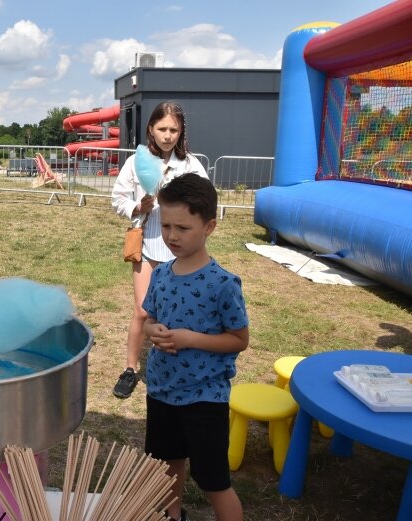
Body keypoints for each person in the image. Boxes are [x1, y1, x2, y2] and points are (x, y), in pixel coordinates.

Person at [142, 173, 249, 521]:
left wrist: (190, 338)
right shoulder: (160, 274)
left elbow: (239, 339)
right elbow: (147, 319)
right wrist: (152, 330)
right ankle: (173, 515)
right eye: (166, 225)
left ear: (210, 227)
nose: (172, 236)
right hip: (161, 390)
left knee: (213, 478)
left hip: (204, 396)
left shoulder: (223, 284)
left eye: (183, 228)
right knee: (165, 465)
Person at [110, 102, 209, 398]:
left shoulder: (190, 164)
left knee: (176, 313)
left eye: (174, 130)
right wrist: (138, 206)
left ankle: (169, 367)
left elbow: (205, 198)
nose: (168, 135)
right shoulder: (137, 162)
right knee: (142, 311)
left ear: (181, 132)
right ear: (151, 129)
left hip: (181, 252)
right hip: (148, 245)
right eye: (162, 128)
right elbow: (117, 198)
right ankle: (130, 369)